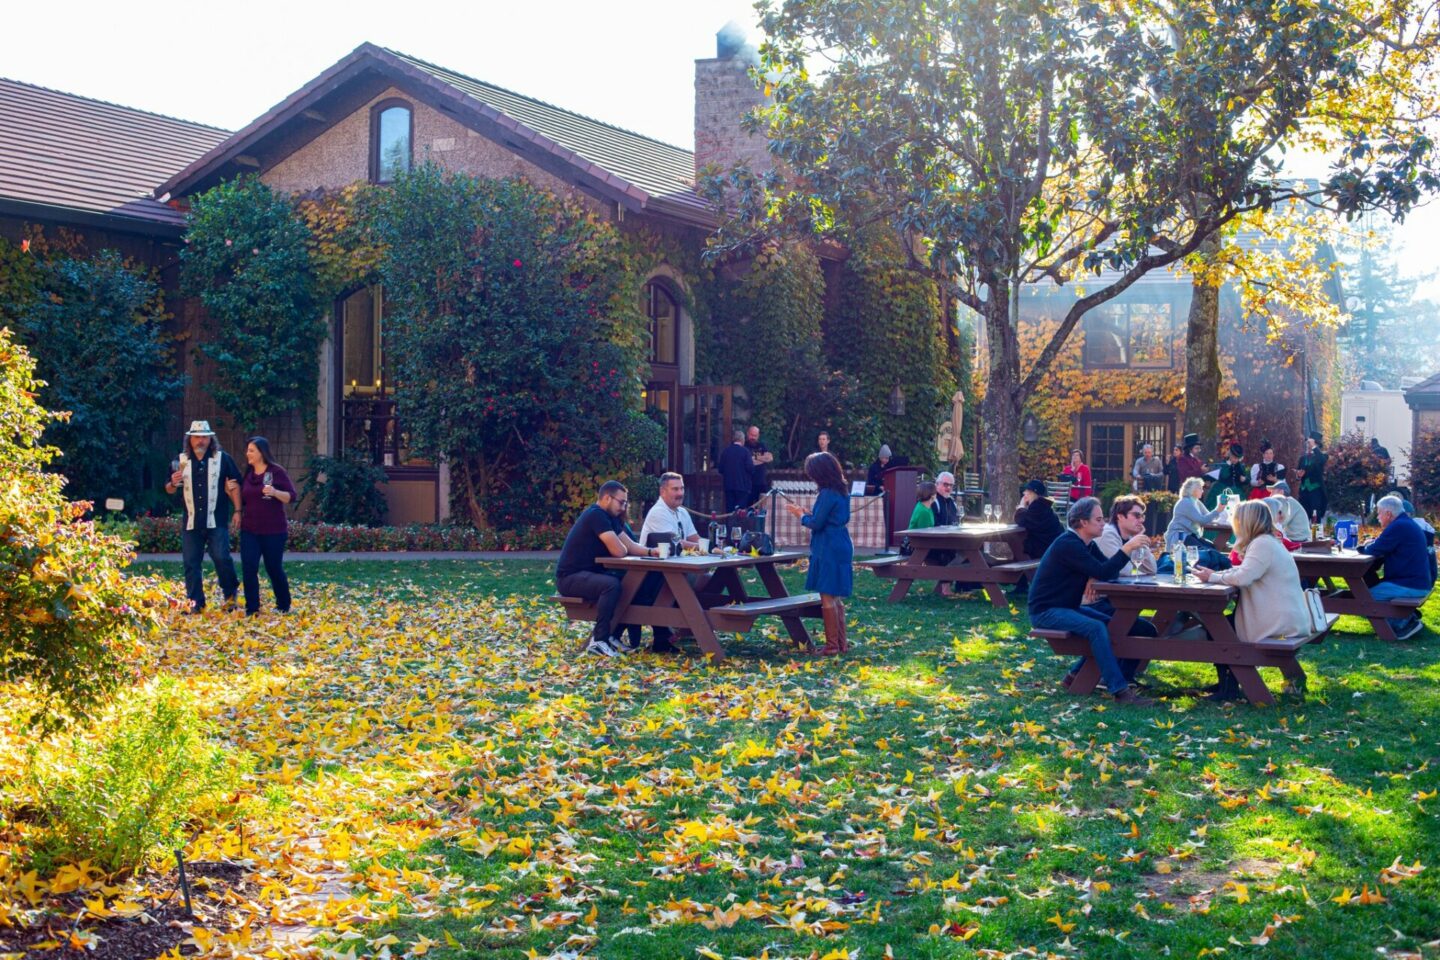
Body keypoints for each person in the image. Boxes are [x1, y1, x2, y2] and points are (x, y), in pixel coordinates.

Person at [1027, 497, 1156, 706]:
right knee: (1096, 628)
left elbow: (1106, 571)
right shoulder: (1069, 544)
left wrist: (1093, 576)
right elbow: (1105, 569)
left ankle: (1077, 676)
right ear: (1083, 522)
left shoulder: (1086, 545)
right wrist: (1127, 548)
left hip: (1067, 607)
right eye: (1098, 520)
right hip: (1047, 611)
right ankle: (1120, 691)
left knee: (1127, 626)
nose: (1103, 523)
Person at [1195, 500, 1311, 700]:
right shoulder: (1269, 541)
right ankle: (1228, 681)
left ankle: (1229, 687)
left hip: (1277, 621)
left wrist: (1212, 577)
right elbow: (1247, 570)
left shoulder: (1262, 543)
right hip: (1286, 615)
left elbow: (1243, 577)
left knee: (1218, 628)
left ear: (1245, 522)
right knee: (1222, 626)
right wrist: (1218, 573)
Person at [555, 481, 666, 657]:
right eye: (621, 502)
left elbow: (630, 545)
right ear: (607, 498)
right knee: (611, 585)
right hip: (570, 578)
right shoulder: (596, 515)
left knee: (633, 584)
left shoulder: (610, 518)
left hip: (590, 574)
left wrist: (652, 552)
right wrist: (622, 547)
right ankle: (599, 640)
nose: (623, 507)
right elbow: (620, 551)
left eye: (625, 503)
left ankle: (614, 635)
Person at [165, 420, 243, 613]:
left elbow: (235, 485)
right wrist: (173, 484)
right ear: (189, 439)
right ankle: (195, 603)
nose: (200, 441)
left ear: (210, 439)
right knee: (191, 563)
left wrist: (238, 511)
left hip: (216, 519)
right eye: (196, 437)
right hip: (191, 522)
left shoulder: (223, 459)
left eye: (204, 437)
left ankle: (230, 596)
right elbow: (167, 489)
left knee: (221, 557)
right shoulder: (180, 460)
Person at [785, 452, 853, 656]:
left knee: (826, 595)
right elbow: (827, 517)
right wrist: (808, 513)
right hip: (841, 541)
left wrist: (800, 516)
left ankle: (832, 646)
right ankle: (841, 643)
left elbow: (816, 524)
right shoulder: (841, 491)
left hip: (828, 545)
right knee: (836, 595)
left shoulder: (827, 493)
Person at [638, 472, 703, 654]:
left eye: (682, 488)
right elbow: (678, 543)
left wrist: (712, 546)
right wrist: (707, 548)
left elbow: (694, 538)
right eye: (675, 489)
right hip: (652, 573)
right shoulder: (658, 512)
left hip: (676, 569)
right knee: (687, 581)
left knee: (708, 578)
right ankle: (665, 633)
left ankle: (689, 627)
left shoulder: (681, 511)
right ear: (663, 491)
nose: (680, 493)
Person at [1358, 494, 1433, 639]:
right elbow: (1380, 546)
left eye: (1379, 513)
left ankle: (1404, 623)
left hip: (1410, 585)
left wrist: (1363, 546)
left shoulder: (1398, 526)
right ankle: (1405, 615)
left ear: (1388, 513)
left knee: (1363, 600)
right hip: (1417, 581)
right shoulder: (1405, 523)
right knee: (1365, 593)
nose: (1377, 517)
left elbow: (1371, 550)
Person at [238, 436, 296, 616]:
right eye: (248, 450)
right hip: (250, 530)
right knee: (249, 567)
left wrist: (275, 492)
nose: (248, 454)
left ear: (261, 453)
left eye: (251, 450)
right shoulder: (248, 474)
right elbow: (244, 498)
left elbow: (291, 496)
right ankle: (252, 608)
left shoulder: (276, 472)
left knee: (273, 567)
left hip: (273, 530)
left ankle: (283, 605)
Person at [1164, 477, 1232, 569]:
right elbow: (1202, 520)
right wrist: (1217, 510)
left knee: (1212, 548)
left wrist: (1221, 510)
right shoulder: (1185, 502)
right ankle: (1214, 569)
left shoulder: (1196, 502)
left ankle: (1220, 568)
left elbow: (1208, 517)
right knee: (1207, 551)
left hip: (1190, 535)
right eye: (1200, 488)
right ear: (1192, 490)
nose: (1202, 490)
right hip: (1179, 536)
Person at [1013, 479, 1064, 597]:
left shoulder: (1038, 507)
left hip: (1044, 550)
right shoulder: (1043, 507)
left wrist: (1021, 507)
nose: (1024, 494)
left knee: (1020, 550)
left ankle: (1021, 584)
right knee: (1019, 549)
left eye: (1026, 491)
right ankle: (1021, 585)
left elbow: (1022, 519)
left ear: (1032, 493)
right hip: (1051, 548)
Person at [1098, 495, 1163, 574]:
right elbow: (1124, 571)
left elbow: (1151, 569)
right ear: (1120, 516)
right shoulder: (1107, 535)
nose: (1141, 520)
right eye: (1137, 515)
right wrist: (1141, 575)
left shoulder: (1130, 537)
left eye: (1142, 516)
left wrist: (1140, 540)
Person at [928, 471, 961, 595]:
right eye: (945, 484)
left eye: (951, 485)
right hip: (932, 543)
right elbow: (932, 526)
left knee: (974, 549)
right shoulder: (933, 501)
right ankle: (945, 588)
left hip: (950, 539)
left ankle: (967, 585)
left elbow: (956, 521)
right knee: (948, 552)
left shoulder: (951, 502)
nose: (948, 488)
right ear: (937, 484)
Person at [717, 429, 754, 512]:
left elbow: (720, 469)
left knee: (730, 511)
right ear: (742, 440)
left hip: (729, 486)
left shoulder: (725, 452)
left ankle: (730, 525)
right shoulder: (745, 452)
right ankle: (739, 525)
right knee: (740, 512)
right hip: (743, 487)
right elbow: (750, 469)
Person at [1295, 432, 1328, 524]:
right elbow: (1298, 471)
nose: (1307, 445)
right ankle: (1304, 535)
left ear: (1316, 444)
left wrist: (1314, 446)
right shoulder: (1303, 458)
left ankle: (1316, 536)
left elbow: (1322, 461)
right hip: (1303, 491)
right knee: (1303, 515)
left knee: (1315, 516)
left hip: (1315, 491)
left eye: (1309, 443)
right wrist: (1298, 475)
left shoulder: (1322, 456)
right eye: (1308, 443)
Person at [745, 425, 774, 505]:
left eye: (755, 435)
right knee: (748, 507)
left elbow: (770, 458)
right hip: (748, 483)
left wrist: (756, 457)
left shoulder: (762, 445)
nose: (753, 437)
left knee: (762, 507)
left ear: (758, 436)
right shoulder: (744, 445)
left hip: (761, 482)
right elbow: (749, 461)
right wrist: (762, 459)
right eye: (751, 435)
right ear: (748, 434)